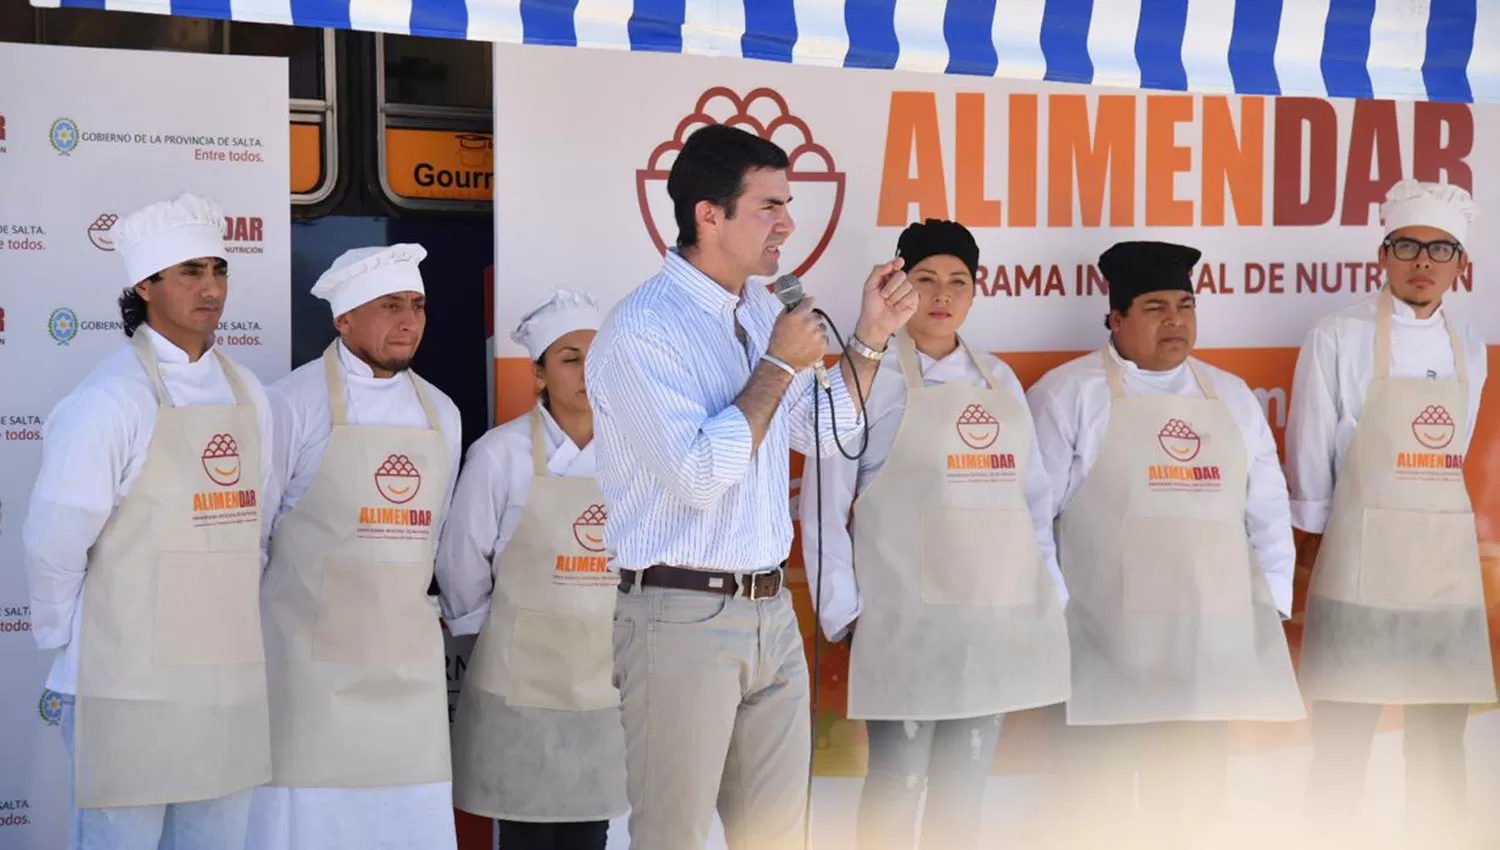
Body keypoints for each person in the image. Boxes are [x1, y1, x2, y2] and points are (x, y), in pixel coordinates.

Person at [585, 122, 919, 849]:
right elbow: (700, 475)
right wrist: (774, 365)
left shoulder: (764, 310)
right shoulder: (643, 329)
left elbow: (824, 433)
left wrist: (869, 338)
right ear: (709, 215)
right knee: (672, 836)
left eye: (787, 203)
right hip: (679, 613)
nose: (789, 223)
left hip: (770, 610)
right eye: (768, 205)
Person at [798, 219, 1070, 849]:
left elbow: (1032, 502)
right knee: (898, 780)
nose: (942, 296)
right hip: (903, 621)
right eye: (925, 280)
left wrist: (1046, 593)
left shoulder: (1000, 380)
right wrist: (844, 612)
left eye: (958, 282)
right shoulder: (862, 379)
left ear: (975, 293)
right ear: (898, 285)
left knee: (965, 787)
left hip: (992, 619)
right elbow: (822, 504)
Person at [1026, 240, 1304, 848]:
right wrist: (1057, 614)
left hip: (1202, 652)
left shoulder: (1230, 396)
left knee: (1191, 813)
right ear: (1116, 319)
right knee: (1090, 816)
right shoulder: (1066, 394)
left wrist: (1269, 604)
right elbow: (1031, 517)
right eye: (1155, 307)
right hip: (1101, 649)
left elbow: (1267, 506)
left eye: (1185, 304)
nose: (1175, 320)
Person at [22, 192, 277, 850]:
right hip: (125, 687)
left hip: (223, 684)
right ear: (145, 285)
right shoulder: (111, 399)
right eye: (191, 271)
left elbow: (258, 529)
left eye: (219, 270)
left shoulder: (250, 395)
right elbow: (54, 539)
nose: (212, 287)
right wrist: (70, 645)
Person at [1288, 179, 1493, 844]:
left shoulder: (1469, 343)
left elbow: (1451, 453)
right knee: (1344, 744)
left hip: (1443, 574)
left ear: (1462, 265)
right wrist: (1311, 561)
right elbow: (1310, 458)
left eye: (1441, 250)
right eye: (1408, 245)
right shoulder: (1336, 336)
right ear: (1383, 254)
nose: (1423, 262)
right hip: (1361, 565)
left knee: (1440, 745)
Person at [248, 244, 463, 850]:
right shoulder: (291, 405)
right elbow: (254, 535)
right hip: (308, 671)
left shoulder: (440, 412)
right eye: (389, 304)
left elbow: (432, 538)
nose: (409, 320)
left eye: (417, 305)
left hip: (405, 670)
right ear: (343, 319)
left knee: (407, 821)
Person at [437, 287, 626, 849]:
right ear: (539, 374)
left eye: (599, 358)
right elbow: (460, 562)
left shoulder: (633, 456)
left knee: (590, 831)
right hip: (518, 685)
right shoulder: (500, 454)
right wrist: (492, 645)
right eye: (570, 359)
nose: (587, 373)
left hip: (604, 683)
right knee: (522, 831)